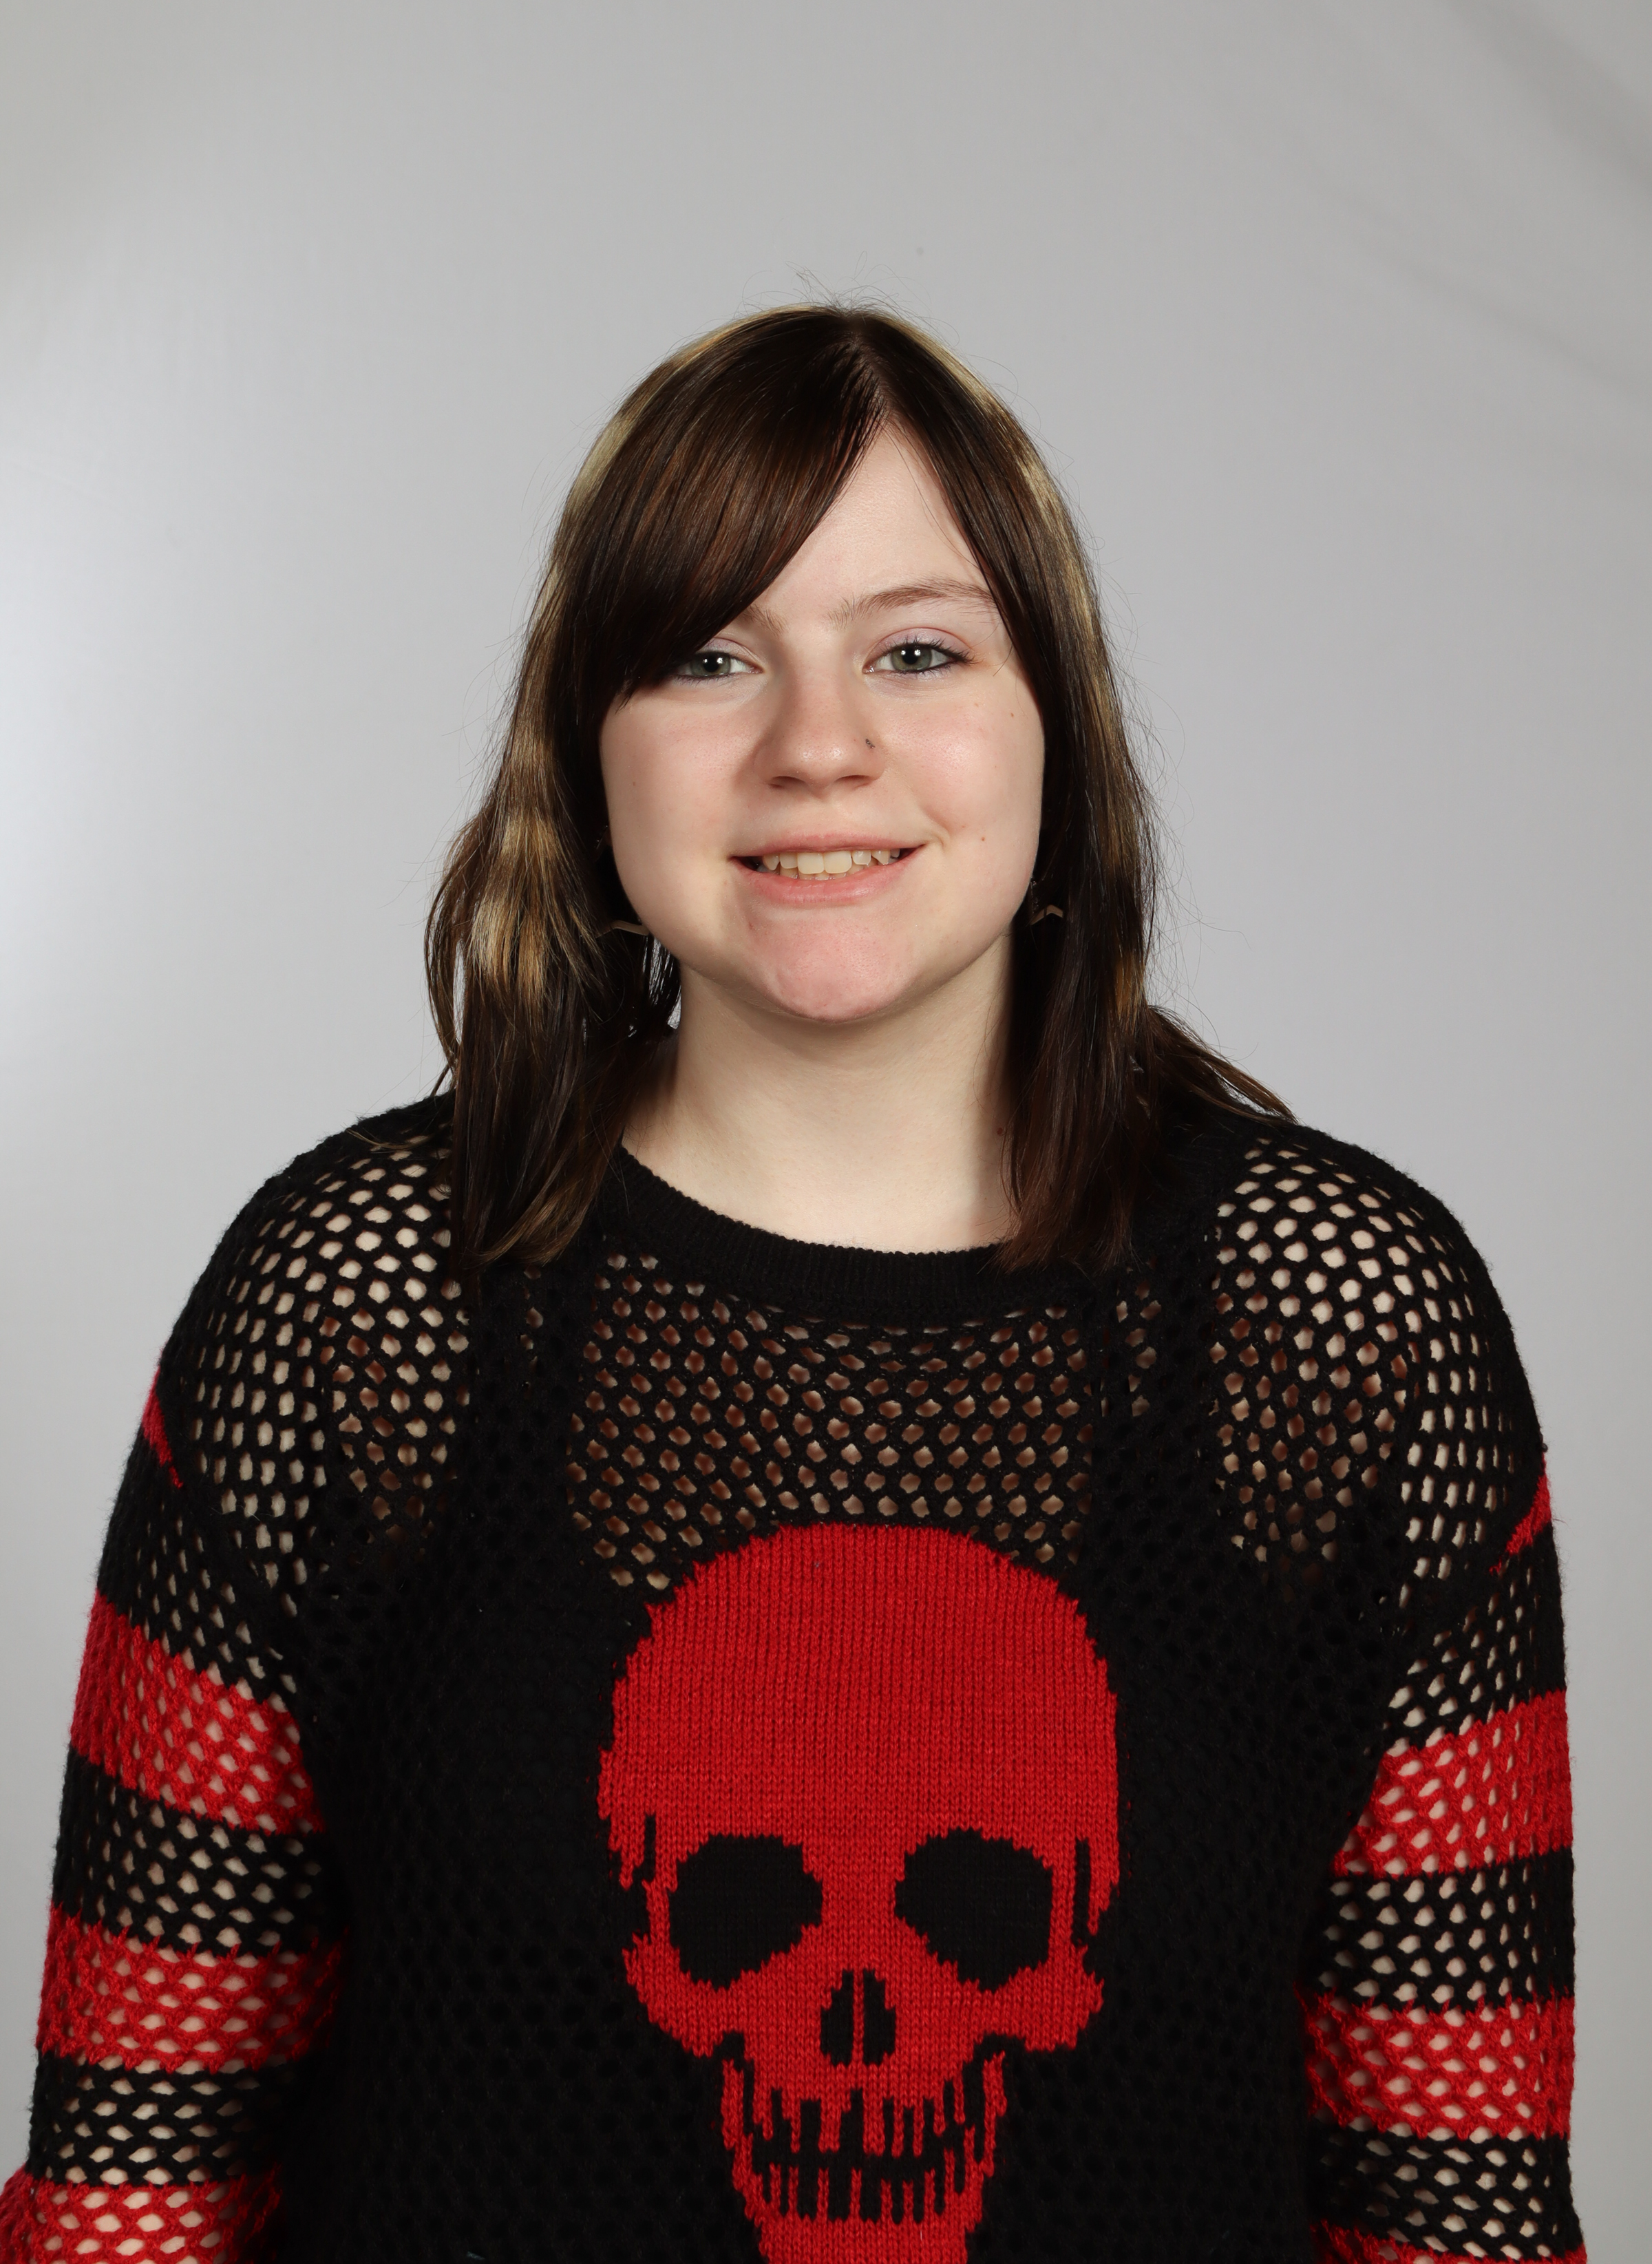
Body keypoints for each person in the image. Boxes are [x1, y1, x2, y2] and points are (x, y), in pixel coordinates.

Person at [1, 306, 1583, 2264]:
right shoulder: (362, 1304)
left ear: (1056, 725)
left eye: (917, 651)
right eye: (708, 655)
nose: (818, 744)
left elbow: (1459, 2203)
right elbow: (130, 2181)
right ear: (589, 752)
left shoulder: (1334, 1328)